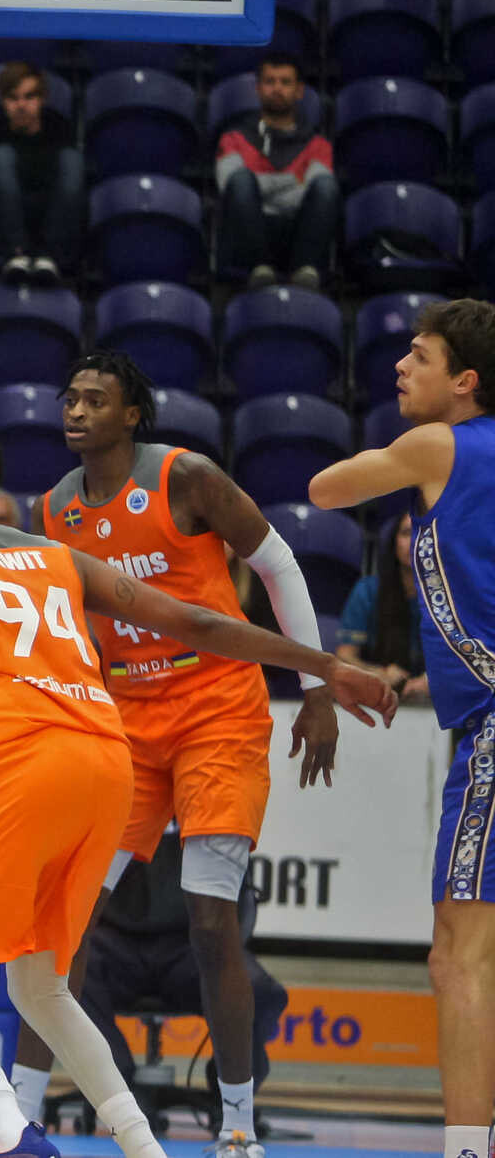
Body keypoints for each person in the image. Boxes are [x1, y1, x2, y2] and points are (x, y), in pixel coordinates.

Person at [0, 423, 392, 1158]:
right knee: (43, 987)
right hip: (109, 761)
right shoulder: (55, 554)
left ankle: (10, 1135)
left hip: (23, 761)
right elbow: (196, 621)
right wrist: (321, 667)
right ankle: (143, 1147)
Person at [0, 349, 348, 1158]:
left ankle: (236, 1127)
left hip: (216, 714)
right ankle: (13, 1127)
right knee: (64, 921)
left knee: (210, 921)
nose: (75, 410)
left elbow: (276, 563)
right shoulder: (56, 509)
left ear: (132, 414)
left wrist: (315, 691)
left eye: (95, 399)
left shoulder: (186, 478)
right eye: (69, 398)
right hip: (124, 722)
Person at [308, 298, 495, 1158]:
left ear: (466, 382)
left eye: (418, 357)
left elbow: (326, 488)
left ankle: (464, 1150)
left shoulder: (439, 447)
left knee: (458, 956)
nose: (398, 368)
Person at [77, 829, 290, 1122]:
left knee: (259, 990)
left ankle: (230, 1094)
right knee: (68, 969)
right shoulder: (122, 792)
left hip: (191, 946)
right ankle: (115, 1085)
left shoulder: (209, 802)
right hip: (115, 939)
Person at [215, 54, 337, 291]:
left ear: (299, 90)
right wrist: (294, 181)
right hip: (246, 238)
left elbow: (318, 192)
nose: (277, 88)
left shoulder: (319, 145)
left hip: (299, 235)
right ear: (259, 88)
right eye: (270, 81)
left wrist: (260, 188)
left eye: (285, 82)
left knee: (325, 186)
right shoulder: (233, 138)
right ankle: (260, 268)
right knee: (240, 182)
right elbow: (230, 186)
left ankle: (305, 271)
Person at [0, 62, 82, 286]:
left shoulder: (60, 129)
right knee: (0, 156)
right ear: (3, 102)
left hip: (51, 219)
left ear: (42, 99)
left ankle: (49, 256)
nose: (21, 105)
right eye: (13, 98)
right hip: (0, 224)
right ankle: (17, 253)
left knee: (72, 160)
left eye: (29, 97)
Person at [335, 512, 428, 701]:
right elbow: (344, 657)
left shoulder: (450, 597)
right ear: (394, 542)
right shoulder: (367, 591)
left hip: (435, 700)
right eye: (406, 533)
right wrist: (379, 673)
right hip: (377, 695)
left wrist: (432, 681)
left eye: (421, 533)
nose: (413, 541)